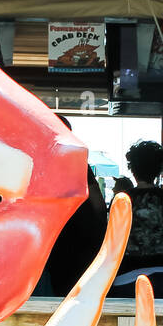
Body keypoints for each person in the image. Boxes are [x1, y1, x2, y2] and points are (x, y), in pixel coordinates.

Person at [43, 115, 108, 298]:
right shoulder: (78, 162)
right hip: (82, 236)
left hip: (55, 239)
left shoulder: (41, 161)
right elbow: (99, 205)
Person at [113, 139, 163, 299]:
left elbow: (113, 244)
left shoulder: (121, 200)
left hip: (127, 278)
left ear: (133, 169)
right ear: (159, 170)